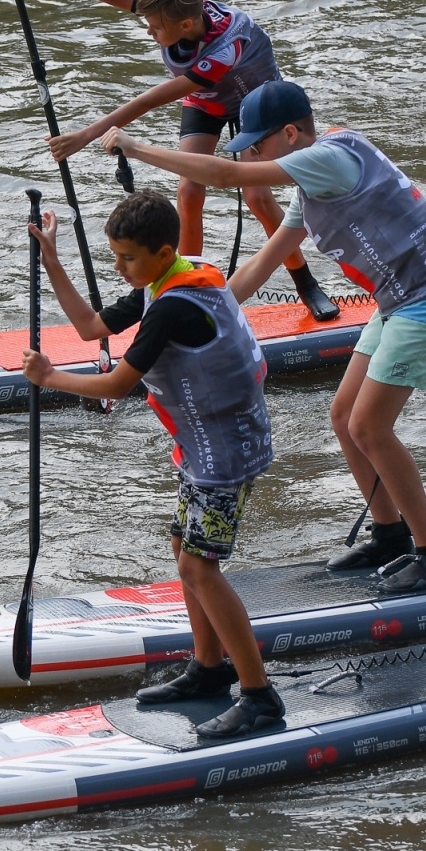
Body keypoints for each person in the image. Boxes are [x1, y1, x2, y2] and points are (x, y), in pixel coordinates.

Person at [98, 81, 426, 593]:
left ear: (292, 134)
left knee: (370, 426)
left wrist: (136, 147)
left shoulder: (326, 158)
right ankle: (389, 534)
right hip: (397, 302)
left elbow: (224, 174)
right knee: (343, 418)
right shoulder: (313, 187)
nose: (252, 155)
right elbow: (257, 268)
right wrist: (198, 303)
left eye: (258, 145)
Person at [21, 190, 285, 737]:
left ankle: (259, 695)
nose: (119, 268)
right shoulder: (169, 280)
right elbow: (93, 328)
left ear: (164, 252)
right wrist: (52, 261)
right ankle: (207, 670)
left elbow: (118, 383)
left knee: (199, 568)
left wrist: (50, 378)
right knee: (182, 552)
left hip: (225, 456)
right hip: (203, 449)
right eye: (115, 256)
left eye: (128, 258)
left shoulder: (171, 306)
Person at [0, 0, 338, 321]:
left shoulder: (224, 48)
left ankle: (305, 283)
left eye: (155, 27)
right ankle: (184, 289)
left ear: (187, 24)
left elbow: (151, 99)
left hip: (253, 104)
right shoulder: (174, 8)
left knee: (257, 197)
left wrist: (85, 135)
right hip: (207, 102)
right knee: (189, 193)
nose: (149, 32)